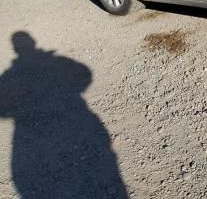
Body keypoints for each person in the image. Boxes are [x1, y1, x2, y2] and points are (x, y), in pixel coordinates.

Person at [0, 32, 127, 198]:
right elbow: (85, 74)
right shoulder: (53, 61)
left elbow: (85, 74)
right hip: (71, 122)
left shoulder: (11, 74)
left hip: (39, 136)